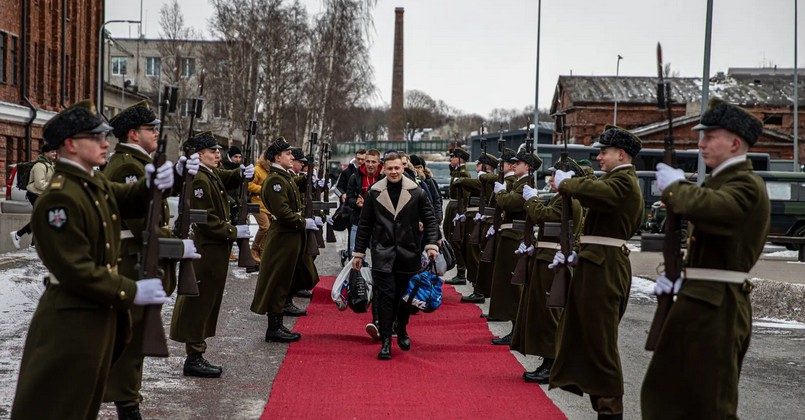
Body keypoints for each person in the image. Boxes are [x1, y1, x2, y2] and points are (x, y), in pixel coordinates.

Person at [11, 100, 174, 419]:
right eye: (96, 137)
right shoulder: (59, 197)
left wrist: (160, 182)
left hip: (96, 316)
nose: (105, 143)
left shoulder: (90, 183)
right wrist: (131, 290)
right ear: (71, 144)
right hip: (72, 322)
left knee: (83, 406)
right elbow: (76, 269)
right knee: (62, 408)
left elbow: (126, 197)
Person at [641, 99, 769, 419]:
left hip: (718, 308)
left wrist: (676, 187)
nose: (701, 144)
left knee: (709, 403)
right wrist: (684, 277)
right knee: (672, 394)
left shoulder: (746, 184)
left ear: (735, 143)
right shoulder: (721, 181)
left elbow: (713, 209)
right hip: (702, 300)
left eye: (710, 136)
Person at [101, 101, 200, 419]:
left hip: (140, 259)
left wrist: (179, 176)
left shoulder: (137, 162)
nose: (156, 133)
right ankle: (127, 405)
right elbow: (140, 221)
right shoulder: (127, 166)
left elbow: (155, 200)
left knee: (136, 336)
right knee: (130, 338)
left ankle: (128, 400)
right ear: (133, 133)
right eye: (150, 129)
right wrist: (176, 245)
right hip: (133, 261)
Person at [548, 126, 643, 419]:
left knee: (601, 344)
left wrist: (567, 183)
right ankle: (602, 406)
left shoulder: (623, 181)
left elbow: (596, 192)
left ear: (621, 154)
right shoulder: (615, 181)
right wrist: (578, 250)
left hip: (605, 268)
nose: (599, 157)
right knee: (588, 337)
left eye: (604, 152)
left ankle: (610, 410)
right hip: (597, 264)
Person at [169, 131, 254, 378]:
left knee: (207, 301)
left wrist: (239, 173)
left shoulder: (209, 173)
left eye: (218, 150)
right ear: (199, 154)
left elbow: (224, 177)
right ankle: (194, 356)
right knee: (199, 302)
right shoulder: (199, 179)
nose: (218, 154)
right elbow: (205, 219)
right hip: (206, 249)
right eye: (212, 151)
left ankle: (197, 352)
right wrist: (233, 231)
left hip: (214, 249)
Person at [351, 152, 440, 360]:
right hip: (382, 252)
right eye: (389, 168)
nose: (393, 172)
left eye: (397, 168)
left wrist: (431, 245)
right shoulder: (374, 192)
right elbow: (365, 225)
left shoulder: (417, 192)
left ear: (403, 168)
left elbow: (430, 219)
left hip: (409, 253)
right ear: (383, 169)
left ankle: (401, 329)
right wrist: (359, 253)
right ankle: (385, 342)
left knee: (405, 298)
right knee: (385, 298)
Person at [511, 159, 584, 385]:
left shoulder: (567, 199)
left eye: (556, 176)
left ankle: (552, 364)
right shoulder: (560, 198)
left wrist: (531, 199)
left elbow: (544, 216)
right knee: (543, 312)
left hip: (553, 260)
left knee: (550, 313)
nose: (551, 179)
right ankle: (549, 360)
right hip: (545, 256)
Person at [250, 137, 319, 342]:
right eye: (288, 154)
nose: (292, 157)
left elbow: (295, 186)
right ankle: (274, 328)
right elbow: (283, 212)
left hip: (289, 237)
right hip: (282, 238)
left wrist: (310, 177)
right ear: (277, 157)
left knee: (285, 280)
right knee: (278, 281)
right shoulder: (275, 180)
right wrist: (303, 222)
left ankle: (278, 324)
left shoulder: (283, 177)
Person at [487, 150, 541, 345]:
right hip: (509, 235)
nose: (514, 165)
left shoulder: (527, 184)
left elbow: (509, 203)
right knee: (507, 283)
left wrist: (501, 192)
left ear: (528, 167)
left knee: (514, 285)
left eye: (518, 163)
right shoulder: (519, 183)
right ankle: (514, 326)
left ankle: (516, 329)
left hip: (517, 237)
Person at [453, 152, 498, 303]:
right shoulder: (482, 180)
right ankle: (476, 287)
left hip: (481, 222)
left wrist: (461, 179)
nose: (476, 166)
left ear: (486, 166)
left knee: (475, 255)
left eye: (479, 164)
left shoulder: (488, 181)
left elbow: (471, 184)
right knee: (469, 253)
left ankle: (479, 290)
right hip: (474, 219)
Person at [9, 144, 58, 249]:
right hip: (35, 194)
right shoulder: (40, 166)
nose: (55, 153)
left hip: (41, 195)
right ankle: (19, 235)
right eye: (52, 151)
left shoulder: (50, 165)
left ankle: (30, 243)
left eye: (55, 151)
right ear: (45, 153)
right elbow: (39, 184)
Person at [443, 148, 470, 285]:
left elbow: (465, 196)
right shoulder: (457, 171)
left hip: (457, 209)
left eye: (453, 157)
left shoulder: (463, 173)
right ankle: (460, 271)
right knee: (451, 237)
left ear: (459, 159)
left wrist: (461, 212)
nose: (450, 159)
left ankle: (461, 273)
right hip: (453, 208)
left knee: (456, 241)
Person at [346, 149, 382, 254]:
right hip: (358, 220)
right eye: (368, 161)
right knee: (354, 254)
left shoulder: (384, 177)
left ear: (378, 163)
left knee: (379, 254)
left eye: (373, 162)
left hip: (379, 223)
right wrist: (356, 203)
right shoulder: (355, 177)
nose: (370, 165)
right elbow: (349, 199)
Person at [247, 153, 272, 266]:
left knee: (268, 229)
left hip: (266, 204)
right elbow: (249, 185)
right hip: (257, 203)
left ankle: (262, 253)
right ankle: (254, 250)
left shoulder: (269, 171)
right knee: (265, 226)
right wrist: (264, 189)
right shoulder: (257, 169)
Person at [410, 154, 443, 224]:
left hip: (430, 217)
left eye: (419, 167)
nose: (417, 170)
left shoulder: (429, 181)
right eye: (415, 167)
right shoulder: (410, 180)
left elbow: (437, 199)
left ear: (423, 168)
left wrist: (438, 217)